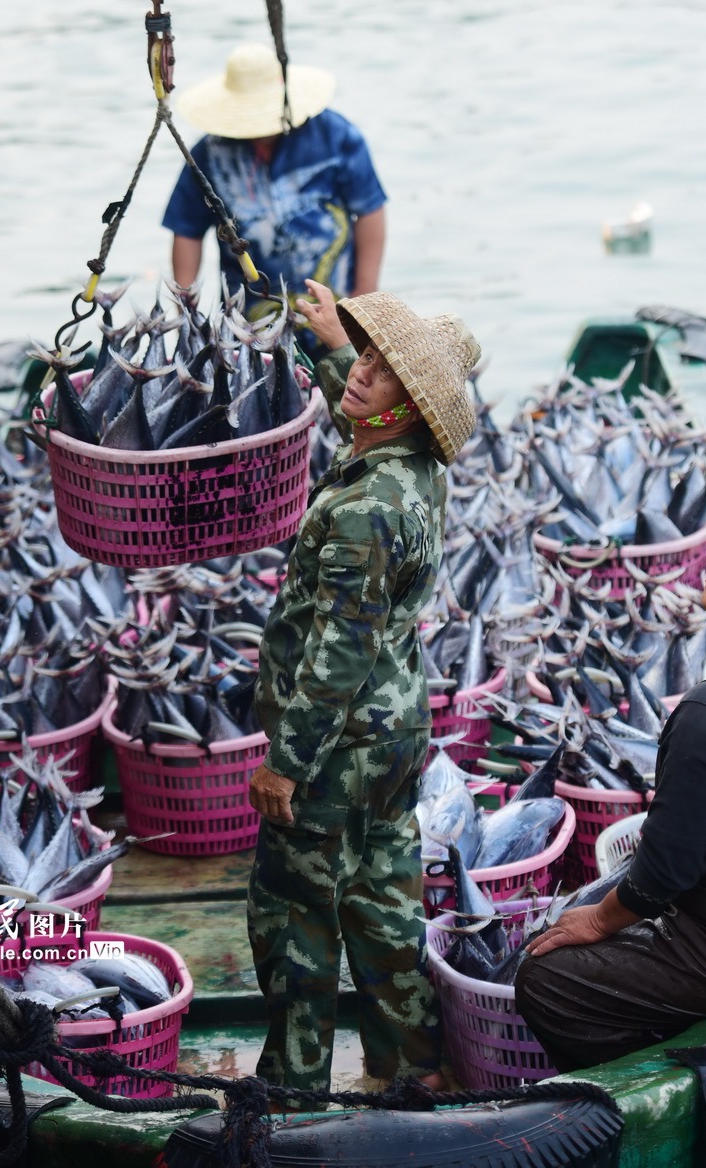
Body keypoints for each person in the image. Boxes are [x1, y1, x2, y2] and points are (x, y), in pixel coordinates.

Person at [246, 278, 481, 1103]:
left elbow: (336, 655)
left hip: (336, 746)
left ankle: (294, 1086)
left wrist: (285, 762)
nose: (362, 375)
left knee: (296, 911)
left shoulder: (365, 510)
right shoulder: (415, 470)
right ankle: (410, 1061)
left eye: (381, 370)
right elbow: (371, 405)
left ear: (409, 405)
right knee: (384, 896)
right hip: (395, 733)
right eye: (366, 359)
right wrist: (330, 348)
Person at [516, 571, 706, 1073]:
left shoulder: (702, 716)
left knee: (544, 979)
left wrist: (601, 919)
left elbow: (663, 875)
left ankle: (647, 1087)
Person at [161, 43, 387, 358]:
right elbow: (186, 230)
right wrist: (186, 313)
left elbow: (370, 211)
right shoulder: (209, 155)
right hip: (248, 323)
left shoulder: (336, 136)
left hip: (337, 313)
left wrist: (364, 298)